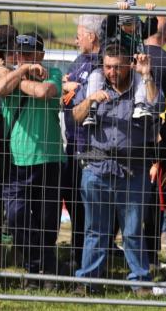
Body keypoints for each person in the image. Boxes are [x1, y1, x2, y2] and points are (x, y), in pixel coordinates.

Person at [72, 43, 159, 293]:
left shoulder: (143, 86)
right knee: (95, 230)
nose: (112, 72)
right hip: (97, 168)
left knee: (132, 230)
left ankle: (140, 281)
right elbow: (75, 116)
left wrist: (147, 74)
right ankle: (89, 282)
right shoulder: (94, 85)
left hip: (133, 169)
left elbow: (156, 106)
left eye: (118, 67)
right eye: (108, 66)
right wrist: (89, 100)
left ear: (129, 64)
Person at [0, 33, 65, 282]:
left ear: (41, 56)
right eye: (20, 54)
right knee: (15, 217)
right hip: (17, 161)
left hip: (49, 159)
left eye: (30, 53)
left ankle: (41, 271)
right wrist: (21, 70)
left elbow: (46, 91)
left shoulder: (53, 73)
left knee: (47, 221)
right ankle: (40, 265)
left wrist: (16, 77)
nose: (24, 57)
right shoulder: (6, 76)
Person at [59, 14, 103, 271]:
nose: (76, 39)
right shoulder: (78, 61)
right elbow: (67, 91)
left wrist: (73, 88)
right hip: (72, 145)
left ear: (92, 36)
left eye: (79, 34)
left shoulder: (100, 63)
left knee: (90, 211)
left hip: (91, 147)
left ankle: (89, 262)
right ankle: (77, 256)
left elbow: (84, 94)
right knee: (74, 204)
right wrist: (68, 86)